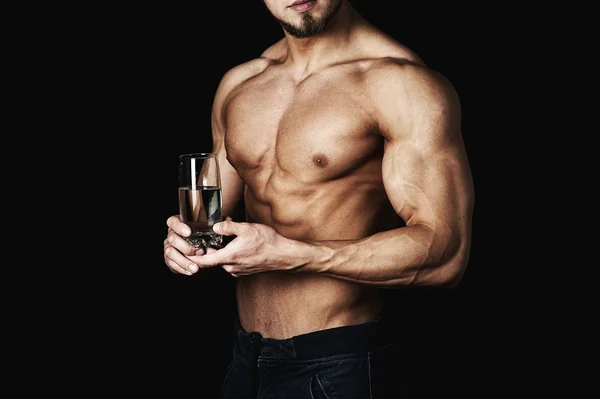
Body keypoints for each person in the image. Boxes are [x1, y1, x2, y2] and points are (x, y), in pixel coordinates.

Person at [163, 0, 475, 397]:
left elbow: (447, 254)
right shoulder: (239, 83)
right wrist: (184, 242)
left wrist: (293, 254)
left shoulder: (401, 85)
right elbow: (206, 218)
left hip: (340, 364)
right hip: (246, 359)